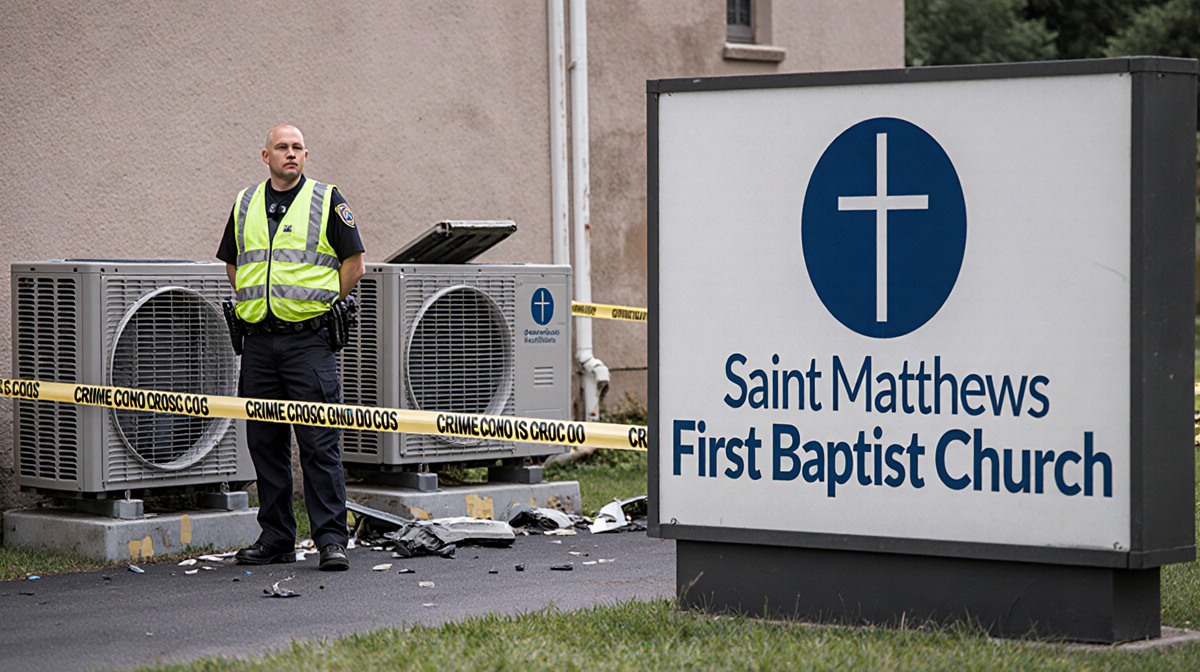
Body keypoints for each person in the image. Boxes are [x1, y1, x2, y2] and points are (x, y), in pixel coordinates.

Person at [216, 124, 365, 571]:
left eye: (297, 148)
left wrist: (317, 305)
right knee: (265, 444)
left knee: (319, 444)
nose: (291, 154)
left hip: (309, 343)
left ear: (306, 155)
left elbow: (355, 265)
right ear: (266, 157)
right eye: (282, 147)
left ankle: (331, 541)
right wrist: (258, 305)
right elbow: (233, 264)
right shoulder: (245, 203)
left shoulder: (327, 199)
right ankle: (277, 538)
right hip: (259, 343)